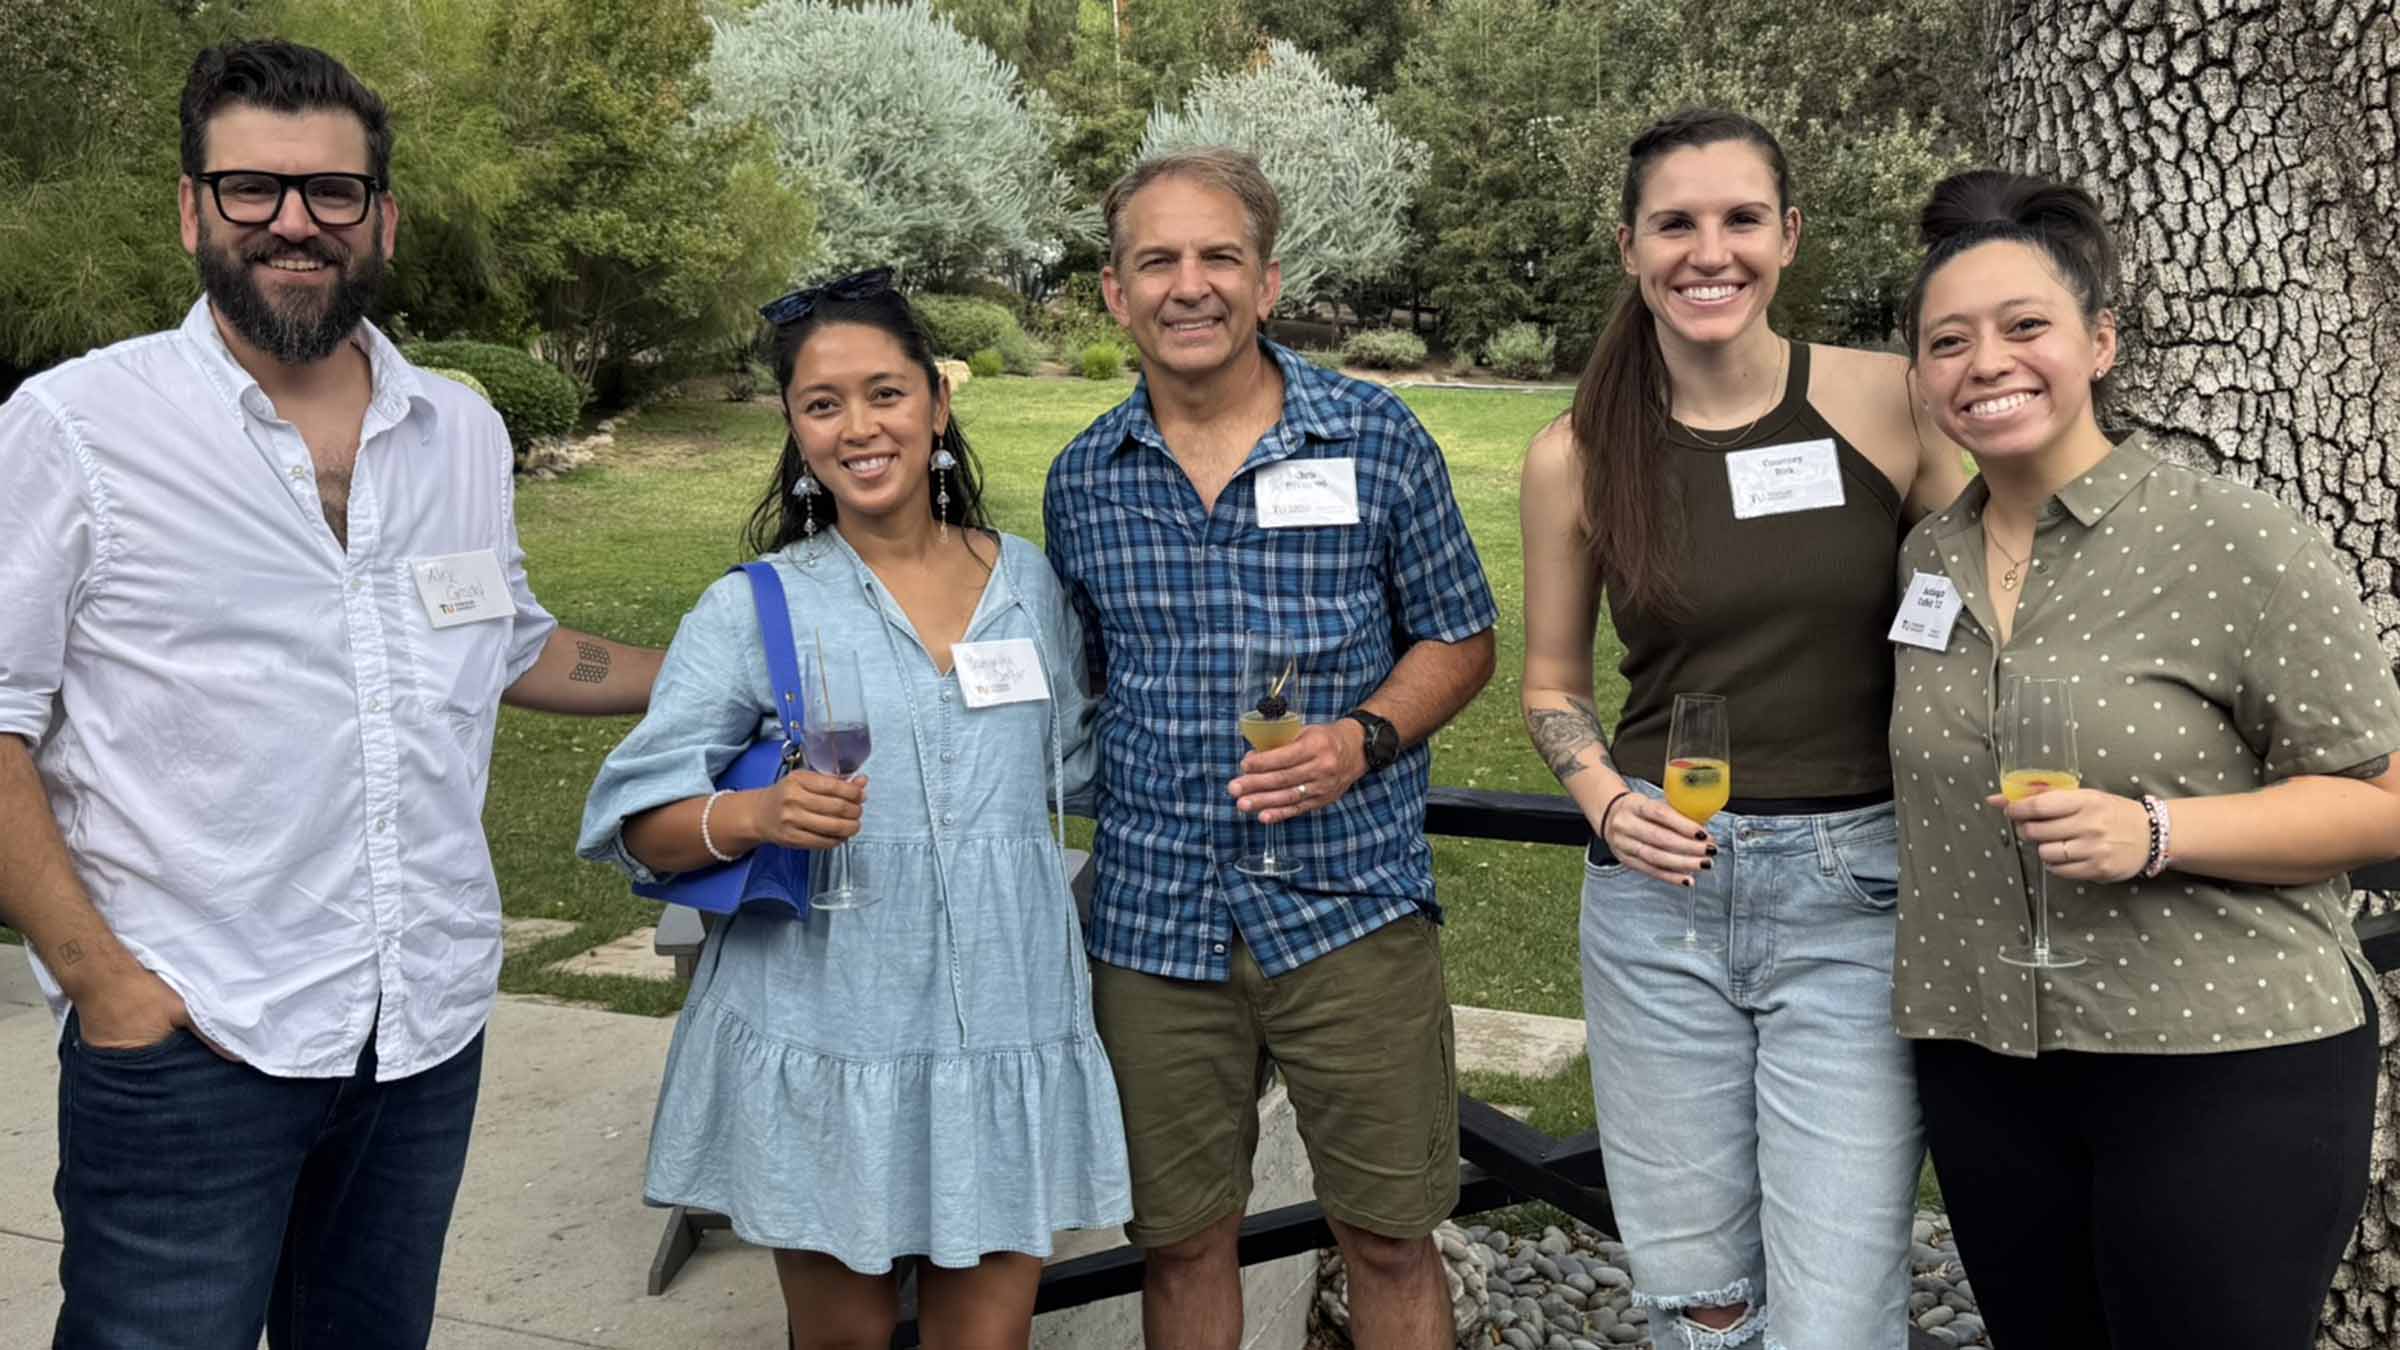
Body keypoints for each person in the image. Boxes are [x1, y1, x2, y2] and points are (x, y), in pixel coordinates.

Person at [0, 40, 663, 1350]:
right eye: (253, 188)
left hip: (417, 1033)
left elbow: (504, 638)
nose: (294, 220)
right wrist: (108, 988)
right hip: (192, 1037)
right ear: (193, 207)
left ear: (383, 219)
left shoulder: (458, 427)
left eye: (333, 194)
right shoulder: (76, 428)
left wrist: (731, 665)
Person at [1888, 168, 2400, 1350]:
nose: (1987, 362)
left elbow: (2381, 800)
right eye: (1948, 341)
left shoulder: (2228, 536)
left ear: (2100, 342)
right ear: (1921, 376)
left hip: (2221, 1056)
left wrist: (2162, 831)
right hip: (1989, 1062)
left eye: (2027, 327)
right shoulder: (1928, 558)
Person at [579, 268, 1130, 1348]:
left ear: (937, 402)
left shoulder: (1031, 582)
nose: (859, 427)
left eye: (885, 393)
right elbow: (636, 819)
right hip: (832, 1021)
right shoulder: (757, 606)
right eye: (823, 404)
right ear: (795, 428)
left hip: (1011, 1013)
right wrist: (756, 817)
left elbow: (1079, 769)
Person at [1517, 108, 1971, 1349]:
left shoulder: (1892, 403)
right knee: (1699, 1304)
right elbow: (1553, 685)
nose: (1706, 252)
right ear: (1629, 246)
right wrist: (1605, 799)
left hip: (1858, 897)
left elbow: (1990, 607)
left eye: (1738, 220)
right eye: (1675, 223)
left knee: (1834, 1314)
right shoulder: (1576, 455)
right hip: (1657, 905)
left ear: (1788, 237)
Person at [1043, 147, 1498, 1350]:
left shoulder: (1373, 436)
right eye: (1158, 261)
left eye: (1218, 257)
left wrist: (1364, 737)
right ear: (1115, 294)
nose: (1189, 286)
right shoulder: (1085, 481)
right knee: (1182, 1242)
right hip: (1154, 922)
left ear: (1267, 282)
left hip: (1347, 905)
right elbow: (1081, 685)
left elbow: (1462, 634)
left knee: (1391, 1236)